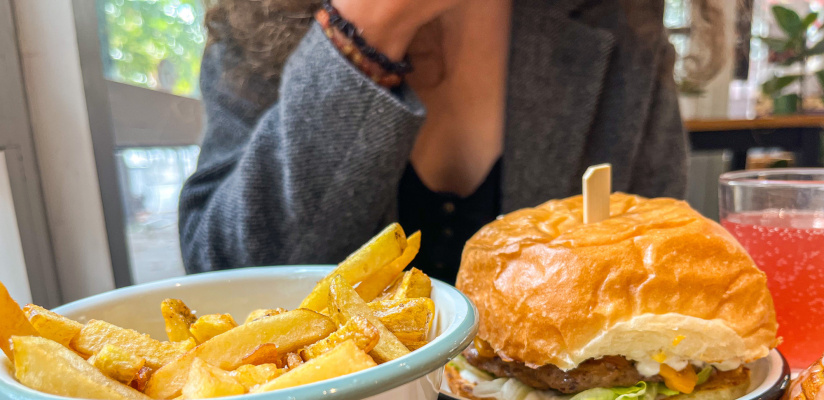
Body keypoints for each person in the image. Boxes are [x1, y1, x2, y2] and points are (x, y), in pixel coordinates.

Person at [180, 0, 720, 282]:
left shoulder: (622, 22)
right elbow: (227, 275)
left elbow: (661, 266)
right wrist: (361, 28)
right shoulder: (255, 21)